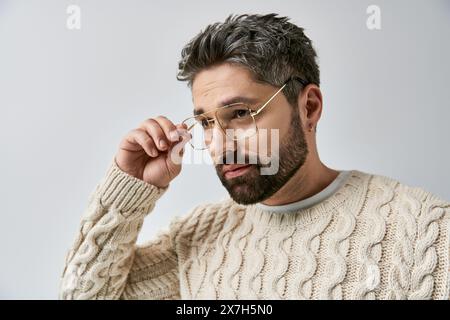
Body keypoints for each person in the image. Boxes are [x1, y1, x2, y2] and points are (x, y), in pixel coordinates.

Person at [59, 13, 450, 300]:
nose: (220, 145)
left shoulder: (424, 230)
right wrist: (129, 189)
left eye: (241, 114)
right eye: (207, 123)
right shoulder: (196, 237)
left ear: (308, 107)